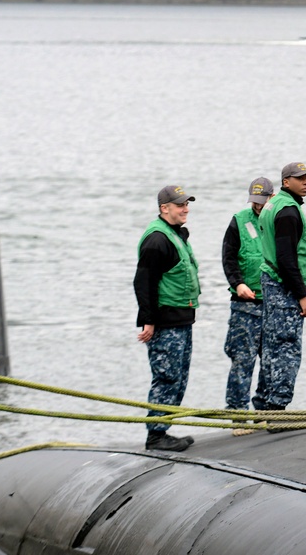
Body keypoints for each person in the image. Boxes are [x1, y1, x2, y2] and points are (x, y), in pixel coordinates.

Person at [133, 185, 200, 452]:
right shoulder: (157, 240)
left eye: (186, 204)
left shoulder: (176, 235)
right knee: (166, 377)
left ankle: (164, 429)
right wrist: (149, 321)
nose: (185, 208)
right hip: (165, 322)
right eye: (180, 204)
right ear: (164, 208)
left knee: (179, 377)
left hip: (182, 318)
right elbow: (143, 282)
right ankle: (156, 436)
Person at [253, 162, 306, 411]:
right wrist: (303, 296)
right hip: (285, 289)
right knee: (286, 348)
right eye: (300, 178)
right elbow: (287, 258)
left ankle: (263, 403)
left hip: (271, 283)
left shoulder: (273, 204)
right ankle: (277, 410)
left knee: (271, 345)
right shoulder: (288, 211)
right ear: (285, 181)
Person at [221, 176, 274, 409]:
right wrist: (238, 283)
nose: (258, 205)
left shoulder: (281, 219)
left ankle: (263, 409)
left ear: (272, 197)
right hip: (245, 304)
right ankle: (237, 411)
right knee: (242, 360)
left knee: (271, 362)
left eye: (263, 200)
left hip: (273, 303)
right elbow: (228, 258)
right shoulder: (239, 221)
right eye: (255, 200)